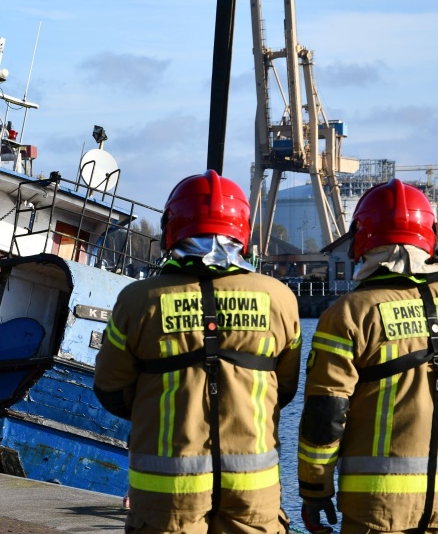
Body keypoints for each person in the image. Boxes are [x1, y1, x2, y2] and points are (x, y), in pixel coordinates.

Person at [94, 170, 302, 533]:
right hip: (254, 485)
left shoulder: (138, 300)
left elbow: (109, 388)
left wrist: (154, 408)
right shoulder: (280, 299)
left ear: (172, 229)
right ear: (243, 230)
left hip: (167, 488)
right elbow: (284, 389)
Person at [297, 179, 438, 534]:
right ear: (429, 234)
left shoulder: (350, 312)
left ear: (362, 236)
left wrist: (314, 489)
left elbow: (325, 413)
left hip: (375, 507)